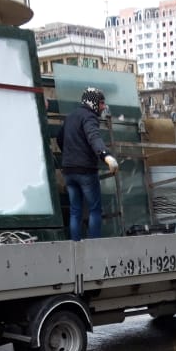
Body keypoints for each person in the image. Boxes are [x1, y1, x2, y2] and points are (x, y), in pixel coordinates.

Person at [57, 87, 118, 241]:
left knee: (75, 211)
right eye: (101, 103)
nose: (103, 106)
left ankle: (76, 247)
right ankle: (94, 247)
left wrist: (70, 155)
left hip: (69, 171)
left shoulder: (70, 116)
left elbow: (59, 138)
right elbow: (94, 137)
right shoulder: (90, 117)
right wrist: (106, 156)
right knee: (95, 210)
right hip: (85, 171)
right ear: (93, 102)